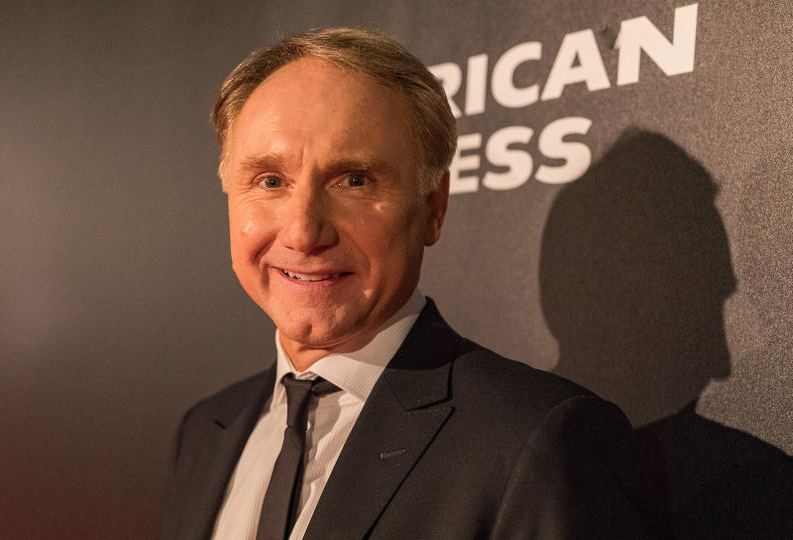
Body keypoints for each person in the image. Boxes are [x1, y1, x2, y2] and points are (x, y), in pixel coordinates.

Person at [163, 27, 652, 539]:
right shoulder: (206, 431)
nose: (304, 233)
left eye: (354, 180)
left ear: (433, 208)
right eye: (269, 181)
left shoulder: (539, 439)